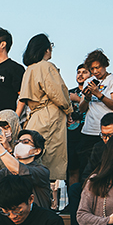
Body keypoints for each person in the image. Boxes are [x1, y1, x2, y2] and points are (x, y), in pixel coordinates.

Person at [18, 34, 72, 181]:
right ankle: (52, 199)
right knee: (52, 161)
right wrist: (69, 111)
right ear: (46, 49)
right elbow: (58, 93)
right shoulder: (46, 66)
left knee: (35, 157)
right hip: (50, 115)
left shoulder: (29, 69)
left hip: (35, 116)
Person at [0, 126, 52, 209]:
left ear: (37, 150)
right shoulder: (7, 171)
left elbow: (20, 170)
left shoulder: (42, 171)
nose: (20, 144)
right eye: (17, 142)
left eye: (25, 142)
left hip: (35, 219)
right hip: (8, 218)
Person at [78, 49, 113, 165]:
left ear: (105, 65)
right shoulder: (89, 81)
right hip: (89, 130)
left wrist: (99, 94)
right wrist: (87, 98)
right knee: (86, 165)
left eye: (97, 67)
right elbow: (81, 108)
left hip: (108, 131)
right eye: (92, 69)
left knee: (107, 164)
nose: (95, 71)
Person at [0, 27, 25, 116]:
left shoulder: (16, 68)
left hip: (7, 121)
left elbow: (22, 96)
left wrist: (14, 119)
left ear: (3, 44)